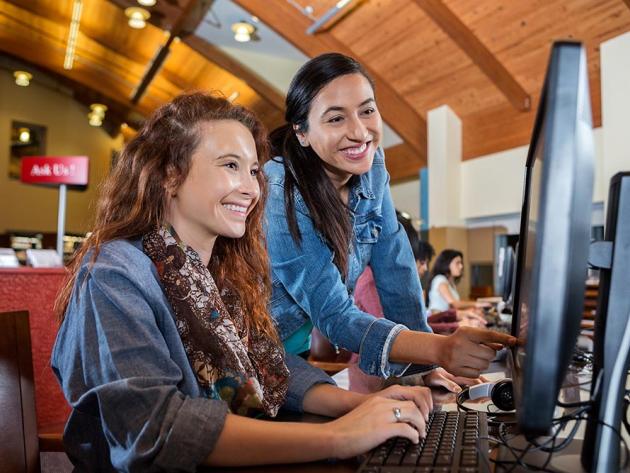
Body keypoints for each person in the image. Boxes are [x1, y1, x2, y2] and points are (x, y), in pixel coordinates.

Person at [51, 93, 434, 472]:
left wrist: (358, 406)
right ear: (171, 174)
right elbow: (159, 429)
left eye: (253, 170)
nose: (252, 188)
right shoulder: (114, 275)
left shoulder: (219, 273)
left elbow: (268, 366)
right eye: (230, 165)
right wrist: (341, 436)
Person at [265, 52, 515, 384]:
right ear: (302, 132)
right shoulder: (280, 189)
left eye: (367, 111)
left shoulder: (372, 167)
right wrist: (437, 350)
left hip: (294, 346)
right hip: (249, 345)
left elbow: (395, 267)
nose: (359, 132)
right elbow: (335, 314)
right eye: (336, 118)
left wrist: (425, 366)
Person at [427, 249, 489, 327]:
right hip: (439, 322)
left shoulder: (451, 283)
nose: (461, 266)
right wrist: (477, 304)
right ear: (447, 263)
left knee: (478, 322)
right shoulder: (440, 279)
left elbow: (451, 309)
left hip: (447, 319)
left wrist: (470, 310)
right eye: (457, 263)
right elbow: (453, 303)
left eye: (461, 263)